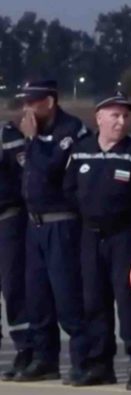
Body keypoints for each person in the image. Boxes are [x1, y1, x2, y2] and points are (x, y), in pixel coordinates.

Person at [63, 92, 131, 389]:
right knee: (94, 302)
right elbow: (70, 189)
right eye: (114, 115)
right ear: (99, 117)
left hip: (123, 237)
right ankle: (100, 364)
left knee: (129, 301)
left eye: (126, 116)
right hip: (90, 236)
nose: (121, 121)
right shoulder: (81, 151)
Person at [14, 80, 92, 384]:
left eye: (32, 102)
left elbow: (51, 169)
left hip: (62, 223)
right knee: (37, 297)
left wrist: (33, 141)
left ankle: (83, 360)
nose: (27, 109)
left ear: (49, 101)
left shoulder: (70, 131)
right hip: (34, 224)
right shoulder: (33, 133)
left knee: (67, 296)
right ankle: (44, 359)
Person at [0, 120, 32, 381]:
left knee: (14, 288)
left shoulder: (7, 135)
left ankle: (25, 349)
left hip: (7, 220)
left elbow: (26, 175)